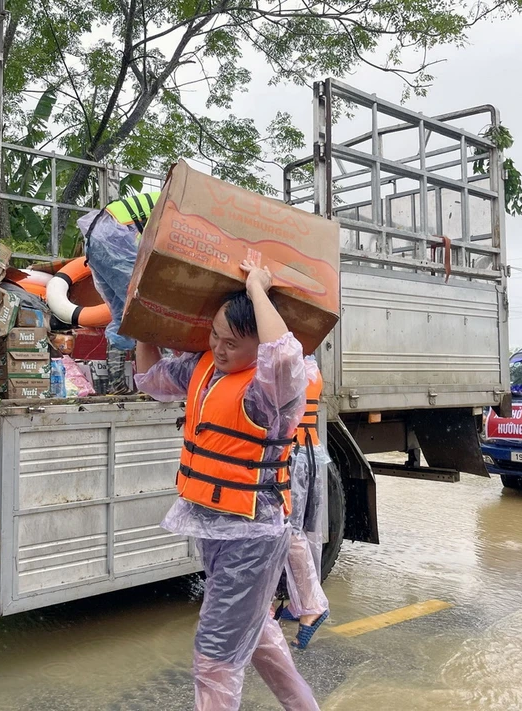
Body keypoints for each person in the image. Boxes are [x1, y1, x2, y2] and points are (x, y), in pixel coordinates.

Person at [135, 260, 319, 711]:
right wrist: (144, 327)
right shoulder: (204, 368)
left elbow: (285, 355)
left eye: (232, 343)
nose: (218, 347)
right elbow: (152, 380)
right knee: (256, 636)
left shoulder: (269, 391)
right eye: (215, 335)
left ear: (256, 346)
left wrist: (259, 289)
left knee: (214, 656)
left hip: (252, 536)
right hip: (215, 530)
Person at [77, 191, 160, 395]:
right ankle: (153, 386)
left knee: (121, 314)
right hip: (116, 236)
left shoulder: (172, 196)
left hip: (95, 239)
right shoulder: (184, 207)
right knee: (146, 309)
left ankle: (117, 385)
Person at [276, 356, 330, 650]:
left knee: (289, 531)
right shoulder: (310, 365)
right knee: (308, 532)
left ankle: (311, 605)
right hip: (312, 452)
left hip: (295, 456)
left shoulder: (292, 368)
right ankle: (301, 604)